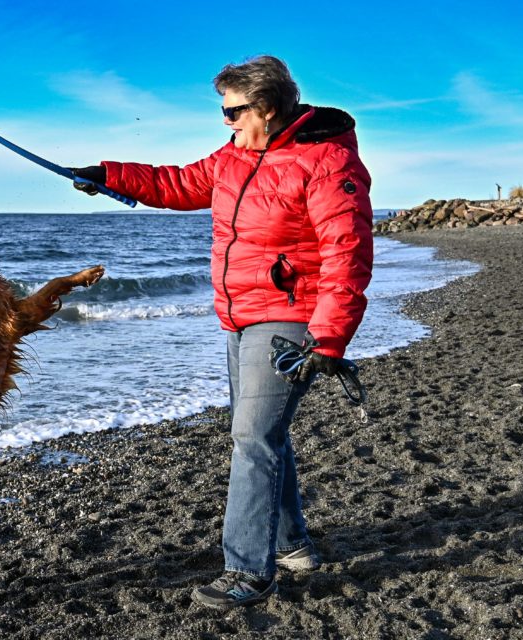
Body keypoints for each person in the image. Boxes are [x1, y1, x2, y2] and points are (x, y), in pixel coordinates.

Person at [71, 55, 373, 610]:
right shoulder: (236, 156)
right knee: (261, 435)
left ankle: (249, 573)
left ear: (268, 107)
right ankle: (290, 546)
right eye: (224, 111)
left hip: (290, 319)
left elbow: (347, 252)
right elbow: (179, 182)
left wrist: (329, 339)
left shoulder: (327, 161)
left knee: (252, 440)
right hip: (238, 317)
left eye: (234, 111)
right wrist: (107, 175)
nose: (226, 121)